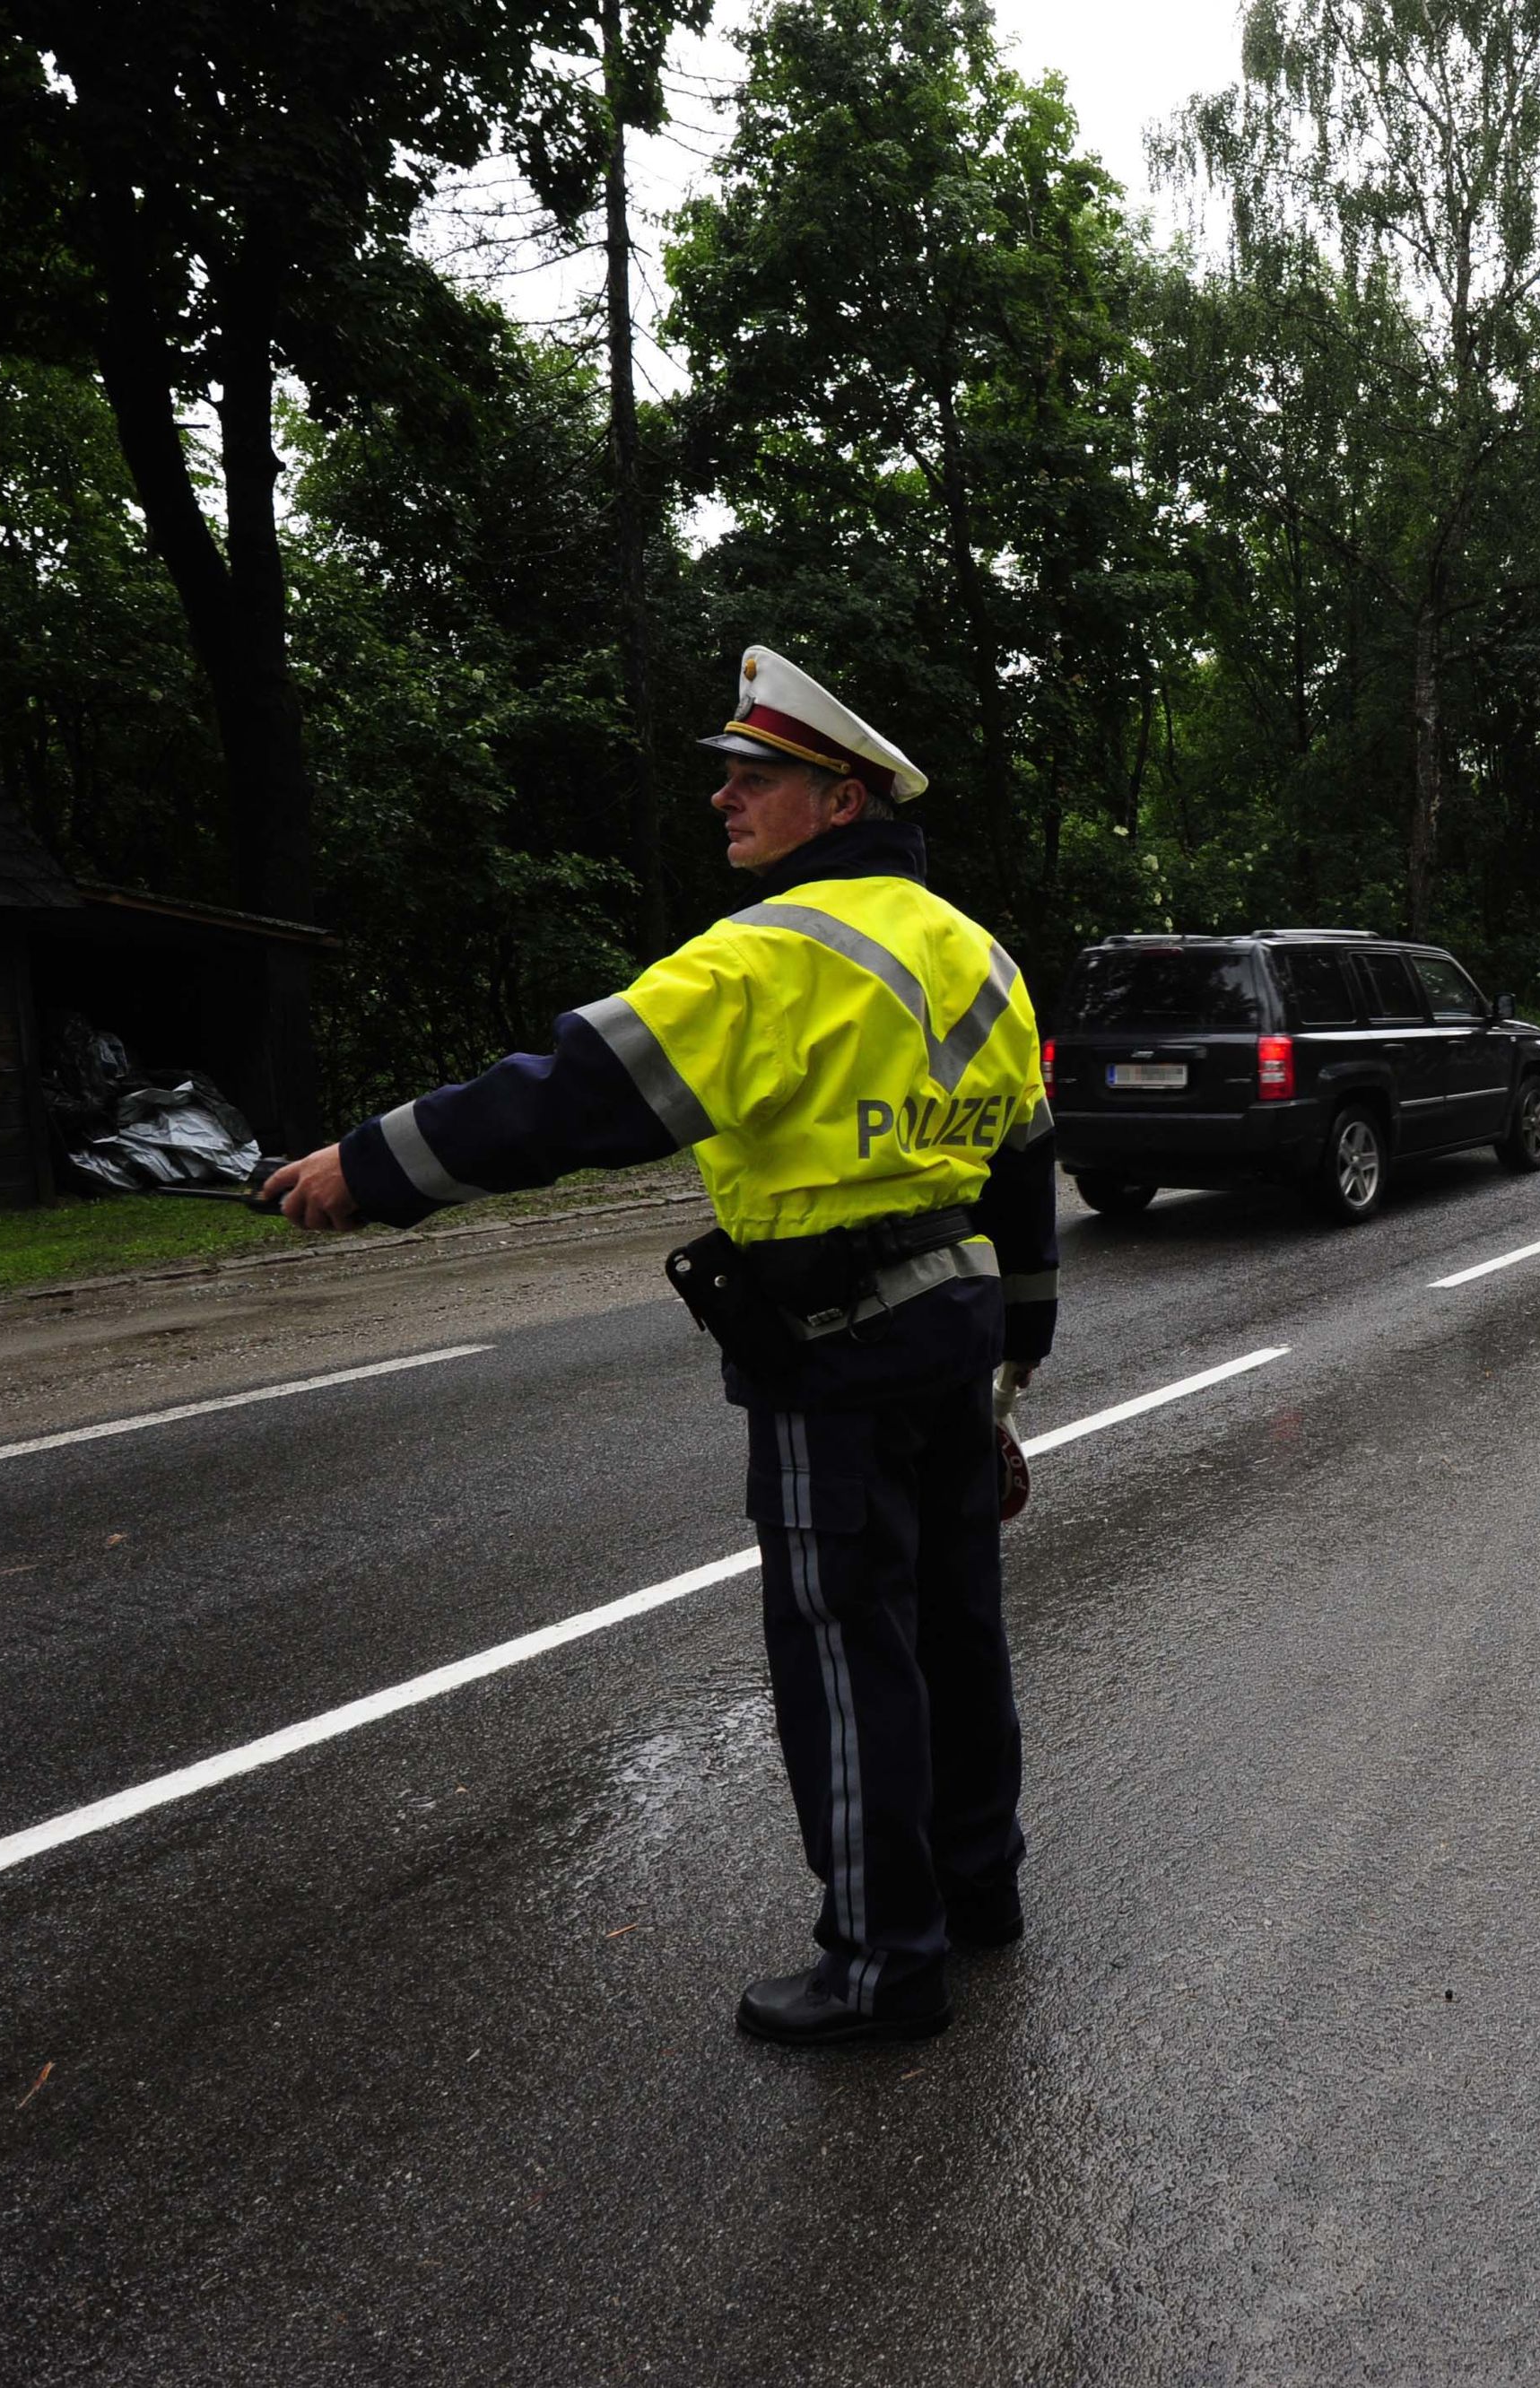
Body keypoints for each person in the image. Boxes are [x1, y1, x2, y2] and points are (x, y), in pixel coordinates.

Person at [260, 645, 1057, 2049]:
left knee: (844, 1645)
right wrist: (1011, 1377)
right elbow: (1021, 1178)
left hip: (831, 1348)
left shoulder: (771, 957)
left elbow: (572, 1095)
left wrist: (367, 1168)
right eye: (727, 774)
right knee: (954, 1620)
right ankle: (979, 1889)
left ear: (839, 800)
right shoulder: (979, 954)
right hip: (953, 1329)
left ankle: (885, 1960)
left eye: (755, 777)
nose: (722, 799)